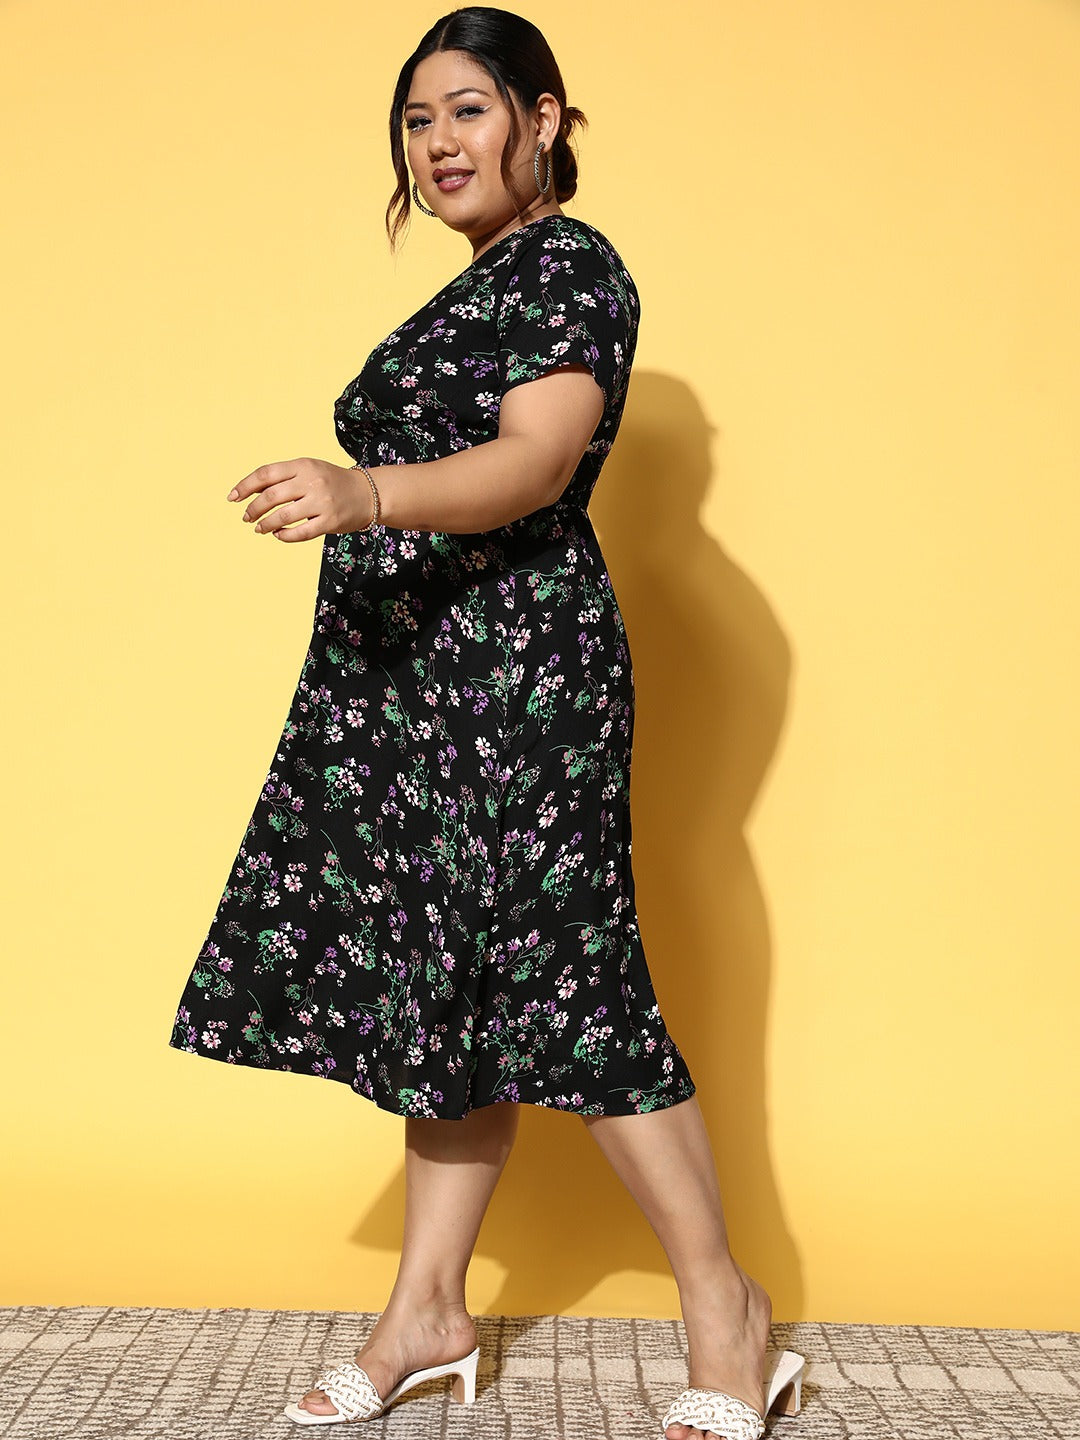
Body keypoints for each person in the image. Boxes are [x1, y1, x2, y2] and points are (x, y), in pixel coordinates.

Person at [167, 7, 804, 1437]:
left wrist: (362, 493)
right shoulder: (483, 286)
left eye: (467, 109)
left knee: (577, 984)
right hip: (417, 688)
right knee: (438, 988)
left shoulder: (571, 266)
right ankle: (428, 1312)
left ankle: (728, 1312)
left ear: (543, 120)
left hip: (517, 683)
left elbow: (535, 462)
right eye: (417, 120)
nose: (439, 142)